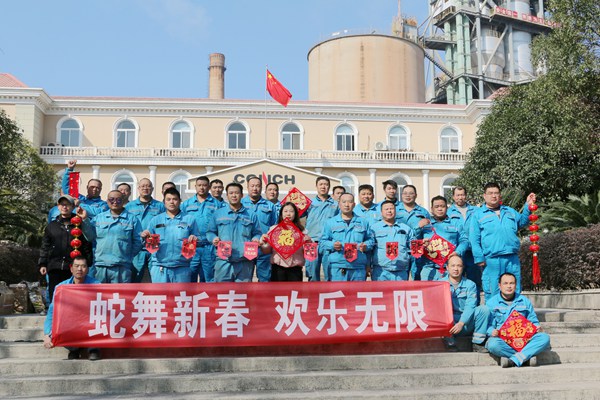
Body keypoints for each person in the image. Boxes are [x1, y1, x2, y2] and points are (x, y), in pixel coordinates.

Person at [470, 183, 536, 300]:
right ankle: (494, 312)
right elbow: (474, 238)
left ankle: (514, 311)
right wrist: (479, 257)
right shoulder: (478, 215)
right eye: (490, 193)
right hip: (492, 260)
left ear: (500, 195)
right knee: (493, 290)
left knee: (514, 289)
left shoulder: (509, 211)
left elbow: (522, 222)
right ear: (484, 196)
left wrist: (527, 205)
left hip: (512, 258)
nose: (493, 196)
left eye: (496, 193)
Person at [43, 256, 101, 361]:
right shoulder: (61, 287)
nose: (79, 269)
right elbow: (52, 311)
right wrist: (47, 334)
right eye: (77, 266)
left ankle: (93, 349)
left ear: (87, 269)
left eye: (83, 266)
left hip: (89, 322)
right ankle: (74, 349)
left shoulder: (97, 285)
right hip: (72, 323)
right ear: (71, 269)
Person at [486, 273, 550, 367]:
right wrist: (492, 331)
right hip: (503, 340)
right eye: (505, 283)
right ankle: (525, 357)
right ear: (499, 285)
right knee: (492, 344)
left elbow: (533, 320)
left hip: (524, 340)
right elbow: (487, 325)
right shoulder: (491, 303)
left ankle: (513, 360)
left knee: (544, 338)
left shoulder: (524, 301)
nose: (509, 286)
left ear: (516, 285)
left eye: (511, 283)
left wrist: (537, 327)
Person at [39, 195, 93, 301]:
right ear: (58, 206)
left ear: (73, 206)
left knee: (73, 297)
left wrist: (87, 262)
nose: (64, 207)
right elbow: (45, 246)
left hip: (73, 268)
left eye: (67, 204)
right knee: (55, 295)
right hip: (55, 266)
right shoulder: (52, 226)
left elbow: (87, 243)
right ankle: (54, 311)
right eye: (62, 204)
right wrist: (42, 263)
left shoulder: (79, 223)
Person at [141, 188, 198, 283]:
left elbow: (197, 240)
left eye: (175, 199)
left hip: (182, 268)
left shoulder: (189, 219)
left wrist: (195, 239)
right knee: (159, 293)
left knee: (181, 293)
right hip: (160, 267)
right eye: (168, 199)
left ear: (180, 201)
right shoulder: (156, 220)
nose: (172, 202)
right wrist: (145, 237)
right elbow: (148, 243)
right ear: (164, 202)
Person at [207, 183, 262, 282]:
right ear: (227, 195)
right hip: (223, 261)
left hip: (245, 261)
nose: (234, 195)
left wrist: (256, 239)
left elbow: (257, 233)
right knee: (222, 290)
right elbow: (210, 232)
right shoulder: (218, 214)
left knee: (243, 291)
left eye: (236, 193)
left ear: (242, 195)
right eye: (231, 193)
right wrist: (214, 238)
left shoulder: (251, 215)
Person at [85, 190, 143, 283]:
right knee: (100, 292)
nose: (115, 202)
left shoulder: (132, 219)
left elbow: (138, 241)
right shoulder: (99, 218)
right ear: (107, 201)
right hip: (100, 265)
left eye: (118, 199)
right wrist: (84, 220)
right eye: (111, 199)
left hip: (122, 266)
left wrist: (128, 255)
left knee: (120, 292)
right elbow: (89, 237)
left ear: (123, 201)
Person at [439, 255, 489, 352]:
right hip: (449, 323)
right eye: (453, 266)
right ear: (447, 267)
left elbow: (470, 305)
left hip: (466, 322)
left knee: (484, 310)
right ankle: (450, 342)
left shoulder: (470, 285)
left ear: (463, 268)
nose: (456, 269)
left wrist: (461, 323)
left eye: (459, 266)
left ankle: (477, 343)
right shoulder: (439, 284)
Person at [320, 193, 373, 281]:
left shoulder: (363, 222)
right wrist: (333, 245)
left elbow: (371, 240)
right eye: (344, 202)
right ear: (339, 204)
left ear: (354, 204)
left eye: (350, 202)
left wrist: (366, 245)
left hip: (358, 267)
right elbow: (322, 242)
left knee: (358, 290)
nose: (347, 205)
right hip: (338, 266)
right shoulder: (330, 222)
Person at [181, 176, 223, 282]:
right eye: (199, 185)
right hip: (190, 245)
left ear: (209, 187)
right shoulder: (186, 204)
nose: (202, 188)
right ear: (195, 186)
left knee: (209, 278)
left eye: (204, 185)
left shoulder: (217, 204)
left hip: (209, 246)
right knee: (189, 277)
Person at [125, 178, 166, 283]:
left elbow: (165, 223)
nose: (145, 188)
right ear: (138, 188)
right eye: (143, 186)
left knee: (156, 278)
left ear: (152, 188)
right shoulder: (129, 206)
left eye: (148, 186)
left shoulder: (160, 206)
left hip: (154, 246)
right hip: (136, 248)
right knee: (134, 278)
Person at [420, 196, 469, 281]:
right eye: (436, 207)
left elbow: (464, 241)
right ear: (432, 209)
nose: (440, 209)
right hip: (429, 268)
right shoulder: (425, 224)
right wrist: (421, 241)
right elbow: (413, 242)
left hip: (449, 268)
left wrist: (458, 252)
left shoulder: (455, 223)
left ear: (447, 208)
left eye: (442, 206)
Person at [260, 202, 311, 282]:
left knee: (295, 290)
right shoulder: (274, 229)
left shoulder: (302, 231)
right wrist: (263, 243)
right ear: (281, 214)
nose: (288, 214)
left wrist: (309, 243)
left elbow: (309, 253)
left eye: (291, 211)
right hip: (278, 269)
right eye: (285, 211)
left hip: (295, 269)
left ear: (295, 214)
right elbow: (266, 251)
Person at [241, 177, 277, 282]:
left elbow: (274, 227)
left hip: (264, 248)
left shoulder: (270, 205)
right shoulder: (241, 204)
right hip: (246, 246)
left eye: (257, 186)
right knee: (245, 279)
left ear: (261, 188)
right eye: (252, 186)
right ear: (247, 187)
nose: (255, 188)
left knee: (265, 279)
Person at [447, 186, 481, 299]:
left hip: (473, 251)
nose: (460, 197)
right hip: (456, 252)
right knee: (455, 281)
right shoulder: (449, 212)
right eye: (457, 195)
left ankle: (474, 305)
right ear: (453, 197)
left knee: (474, 281)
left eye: (462, 195)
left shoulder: (475, 211)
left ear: (466, 196)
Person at [304, 176, 339, 281]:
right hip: (311, 243)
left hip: (328, 243)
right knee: (312, 274)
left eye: (326, 184)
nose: (323, 187)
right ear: (316, 186)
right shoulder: (309, 203)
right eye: (321, 184)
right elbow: (296, 217)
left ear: (329, 187)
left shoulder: (336, 204)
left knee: (330, 273)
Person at [369, 200, 414, 281]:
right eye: (386, 209)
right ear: (381, 212)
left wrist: (422, 244)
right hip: (380, 272)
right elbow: (369, 248)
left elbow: (413, 247)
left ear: (395, 211)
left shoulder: (406, 228)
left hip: (401, 271)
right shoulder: (374, 228)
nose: (389, 211)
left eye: (391, 209)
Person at [397, 184, 431, 280]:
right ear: (401, 195)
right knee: (400, 278)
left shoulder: (423, 212)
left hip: (417, 246)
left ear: (416, 195)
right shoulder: (395, 210)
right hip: (400, 246)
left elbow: (428, 231)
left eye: (411, 193)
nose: (408, 195)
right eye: (405, 193)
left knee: (417, 276)